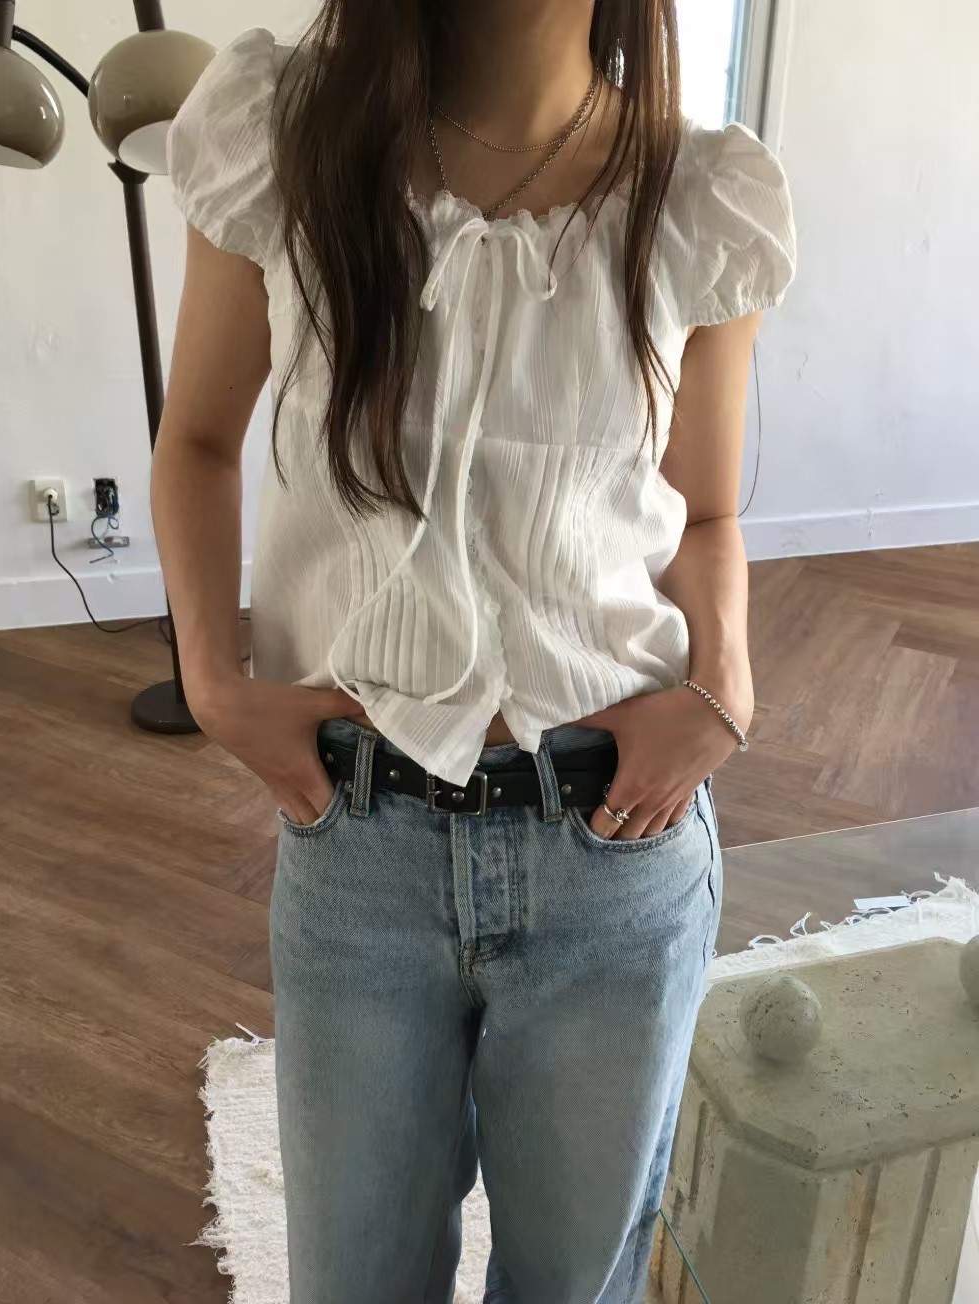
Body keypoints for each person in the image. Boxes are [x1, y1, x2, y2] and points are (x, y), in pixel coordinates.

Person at [154, 2, 795, 1300]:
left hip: (613, 848)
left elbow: (707, 514)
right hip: (361, 843)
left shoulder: (700, 196)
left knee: (575, 1283)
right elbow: (198, 442)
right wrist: (214, 682)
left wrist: (725, 685)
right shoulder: (282, 137)